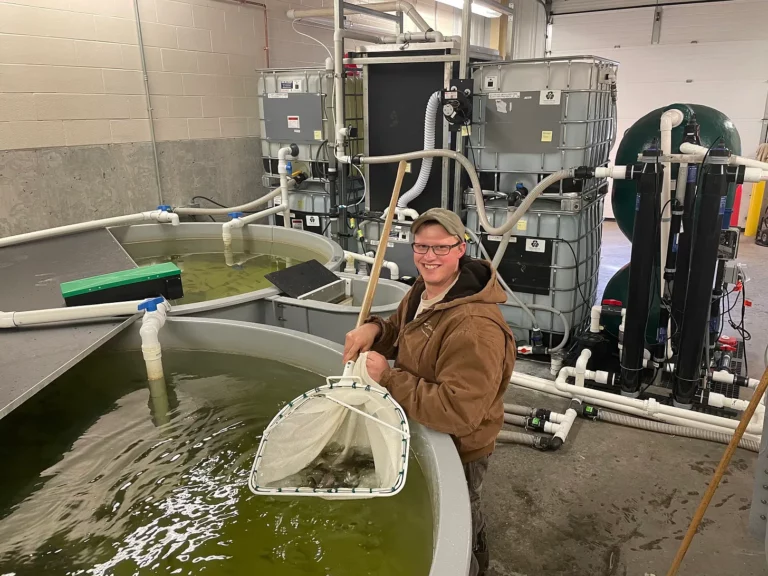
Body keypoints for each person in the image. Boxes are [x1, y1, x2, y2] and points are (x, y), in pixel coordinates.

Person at [343, 208, 516, 576]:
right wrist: (374, 331)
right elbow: (402, 331)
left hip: (461, 446)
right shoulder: (427, 289)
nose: (428, 257)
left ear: (460, 249)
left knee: (457, 523)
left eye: (440, 248)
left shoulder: (473, 327)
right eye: (421, 247)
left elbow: (458, 411)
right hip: (424, 426)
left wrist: (389, 378)